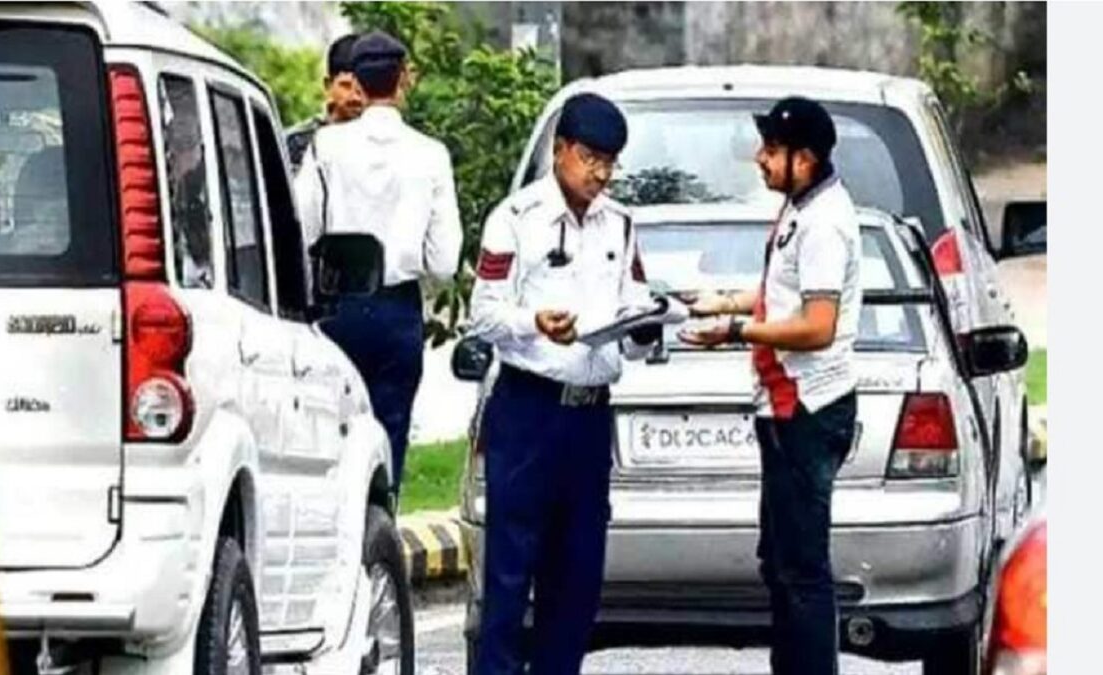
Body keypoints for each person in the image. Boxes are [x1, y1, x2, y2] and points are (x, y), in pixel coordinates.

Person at [468, 92, 660, 675]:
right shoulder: (515, 220)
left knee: (576, 577)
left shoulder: (620, 225)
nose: (600, 174)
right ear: (559, 151)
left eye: (610, 162)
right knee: (509, 573)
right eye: (589, 158)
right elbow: (482, 314)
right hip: (529, 411)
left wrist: (649, 325)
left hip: (588, 416)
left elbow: (632, 313)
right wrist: (534, 324)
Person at [678, 95, 863, 675]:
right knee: (779, 562)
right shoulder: (800, 208)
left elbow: (817, 326)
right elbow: (786, 296)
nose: (760, 159)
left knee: (803, 571)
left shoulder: (825, 223)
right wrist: (726, 300)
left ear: (804, 159)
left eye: (772, 150)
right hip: (783, 409)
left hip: (806, 409)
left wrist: (735, 330)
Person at [294, 30, 462, 500]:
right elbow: (445, 261)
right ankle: (380, 536)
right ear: (403, 80)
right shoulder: (431, 155)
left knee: (332, 437)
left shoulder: (326, 147)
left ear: (359, 85)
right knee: (390, 437)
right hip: (397, 311)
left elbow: (302, 230)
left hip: (337, 307)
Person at [285, 33, 364, 171]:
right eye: (346, 85)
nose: (355, 97)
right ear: (328, 85)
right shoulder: (296, 142)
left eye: (362, 88)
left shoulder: (384, 144)